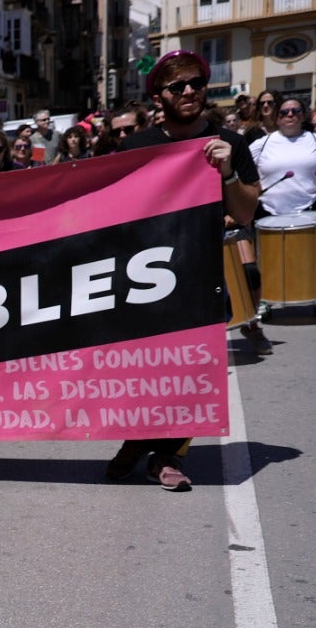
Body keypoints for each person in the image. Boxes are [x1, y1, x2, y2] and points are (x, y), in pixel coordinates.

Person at [106, 49, 259, 492]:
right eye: (178, 86)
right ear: (159, 95)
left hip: (201, 275)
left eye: (196, 82)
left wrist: (227, 172)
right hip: (145, 278)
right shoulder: (135, 149)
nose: (189, 91)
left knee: (190, 372)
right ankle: (136, 444)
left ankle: (167, 456)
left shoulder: (230, 142)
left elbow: (245, 211)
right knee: (142, 372)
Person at [250, 94, 316, 319]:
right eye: (284, 112)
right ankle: (265, 302)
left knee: (314, 257)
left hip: (308, 207)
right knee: (268, 261)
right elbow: (245, 173)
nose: (290, 115)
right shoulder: (263, 143)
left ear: (303, 115)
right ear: (277, 118)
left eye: (295, 111)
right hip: (269, 210)